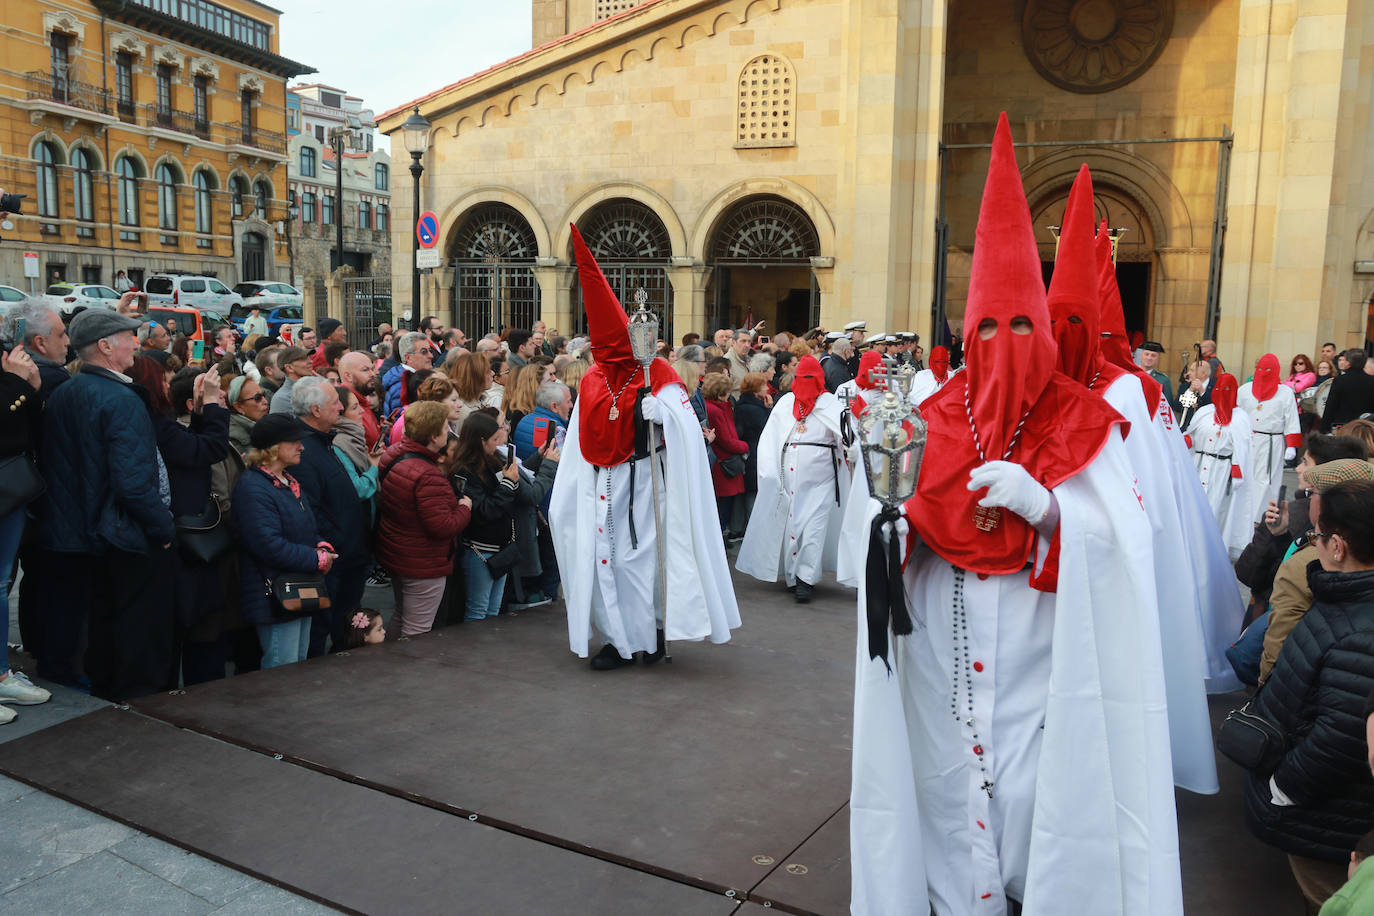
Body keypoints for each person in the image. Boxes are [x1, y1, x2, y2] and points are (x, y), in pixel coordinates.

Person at [847, 115, 1178, 915]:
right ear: (966, 329)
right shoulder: (929, 408)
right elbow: (883, 520)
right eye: (988, 326)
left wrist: (1055, 509)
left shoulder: (1086, 419)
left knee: (1037, 789)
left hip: (1048, 650)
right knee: (945, 776)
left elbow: (1133, 548)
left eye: (1022, 325)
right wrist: (890, 534)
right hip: (942, 649)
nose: (1005, 341)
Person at [550, 227, 740, 669]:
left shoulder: (658, 374)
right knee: (603, 561)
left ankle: (650, 635)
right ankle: (616, 639)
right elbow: (581, 431)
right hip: (600, 483)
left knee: (640, 562)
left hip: (643, 482)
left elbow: (690, 435)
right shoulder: (595, 378)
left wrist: (666, 414)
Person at [1244, 478, 1374, 913]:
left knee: (1326, 901)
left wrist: (1282, 788)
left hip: (1323, 812)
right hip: (1325, 807)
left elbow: (1343, 735)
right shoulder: (1344, 598)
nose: (1312, 544)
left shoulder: (1359, 626)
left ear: (1338, 546)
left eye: (1317, 535)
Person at [38, 310, 176, 701]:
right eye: (129, 336)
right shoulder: (121, 398)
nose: (136, 344)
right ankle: (140, 705)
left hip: (84, 534)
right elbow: (133, 484)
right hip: (124, 535)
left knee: (104, 623)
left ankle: (112, 696)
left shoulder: (67, 391)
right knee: (138, 628)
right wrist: (163, 530)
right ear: (104, 346)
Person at [130, 356, 231, 686]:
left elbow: (195, 448)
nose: (166, 385)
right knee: (185, 618)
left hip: (184, 530)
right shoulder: (155, 423)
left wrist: (202, 412)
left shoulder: (158, 421)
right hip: (180, 533)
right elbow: (209, 450)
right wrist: (214, 405)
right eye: (161, 379)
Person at [738, 354, 849, 602]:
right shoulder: (786, 403)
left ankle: (806, 579)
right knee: (791, 528)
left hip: (821, 481)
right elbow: (771, 439)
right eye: (802, 379)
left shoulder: (831, 405)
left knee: (813, 530)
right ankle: (791, 574)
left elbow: (846, 438)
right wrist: (770, 474)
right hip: (788, 479)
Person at [1259, 456, 1374, 686]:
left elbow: (1278, 649)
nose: (1307, 500)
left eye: (1312, 493)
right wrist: (1281, 537)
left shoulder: (1308, 562)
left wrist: (1265, 691)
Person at [232, 413, 332, 669]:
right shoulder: (254, 487)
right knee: (282, 668)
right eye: (294, 441)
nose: (301, 446)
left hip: (296, 587)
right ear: (274, 448)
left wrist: (321, 545)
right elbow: (268, 545)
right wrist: (316, 558)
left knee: (295, 665)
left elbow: (304, 529)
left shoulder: (286, 482)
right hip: (275, 596)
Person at [375, 401, 472, 637]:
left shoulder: (393, 454)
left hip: (398, 551)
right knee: (418, 629)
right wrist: (464, 508)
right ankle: (408, 671)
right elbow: (443, 526)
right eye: (445, 427)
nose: (449, 432)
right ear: (433, 436)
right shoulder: (429, 475)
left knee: (401, 615)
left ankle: (389, 664)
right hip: (423, 561)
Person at [290, 377, 370, 655]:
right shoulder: (303, 450)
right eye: (334, 402)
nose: (340, 407)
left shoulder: (322, 442)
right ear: (315, 410)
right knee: (321, 630)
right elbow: (310, 508)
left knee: (342, 627)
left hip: (348, 557)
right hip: (332, 562)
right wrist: (335, 545)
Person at [0, 341, 52, 722]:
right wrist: (17, 383)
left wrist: (30, 388)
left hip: (9, 486)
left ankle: (1, 673)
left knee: (1, 586)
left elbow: (23, 428)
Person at [454, 411, 521, 621]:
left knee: (493, 612)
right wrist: (508, 484)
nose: (497, 444)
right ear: (481, 441)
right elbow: (485, 511)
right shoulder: (464, 472)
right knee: (478, 611)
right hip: (480, 551)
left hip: (500, 549)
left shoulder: (491, 462)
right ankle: (474, 653)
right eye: (493, 440)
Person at [1185, 372, 1254, 560]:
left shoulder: (1240, 417)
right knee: (1195, 505)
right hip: (1199, 465)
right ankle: (1191, 543)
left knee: (1215, 507)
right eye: (1219, 389)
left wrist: (1238, 472)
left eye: (1227, 390)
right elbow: (1193, 434)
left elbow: (1243, 447)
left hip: (1221, 470)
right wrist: (1185, 441)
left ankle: (1210, 549)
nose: (1222, 393)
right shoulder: (1204, 412)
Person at [1240, 353, 1303, 523]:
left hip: (1271, 442)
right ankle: (1241, 515)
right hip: (1248, 439)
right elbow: (1237, 414)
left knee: (1265, 480)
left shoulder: (1285, 393)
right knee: (1244, 477)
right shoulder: (1245, 390)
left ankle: (1259, 518)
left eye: (1268, 369)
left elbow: (1291, 418)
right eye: (1260, 368)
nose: (1263, 372)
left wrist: (1291, 445)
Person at [702, 371, 750, 538]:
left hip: (725, 462)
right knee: (721, 507)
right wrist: (745, 446)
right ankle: (718, 539)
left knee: (723, 505)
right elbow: (725, 439)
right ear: (720, 392)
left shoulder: (720, 406)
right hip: (723, 464)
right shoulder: (715, 410)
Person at [734, 371, 771, 525]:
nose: (767, 389)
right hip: (755, 454)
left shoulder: (743, 405)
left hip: (751, 453)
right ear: (755, 391)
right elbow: (768, 429)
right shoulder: (754, 409)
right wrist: (769, 409)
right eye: (763, 386)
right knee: (754, 492)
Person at [1323, 349, 1374, 432]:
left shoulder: (1340, 380)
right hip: (1364, 427)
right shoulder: (1371, 381)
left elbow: (1331, 406)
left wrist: (1324, 429)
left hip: (1342, 425)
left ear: (1348, 362)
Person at [383, 332, 433, 417]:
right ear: (408, 358)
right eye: (424, 352)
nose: (431, 356)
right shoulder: (401, 385)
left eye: (430, 351)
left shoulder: (413, 378)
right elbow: (404, 421)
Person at [269, 346, 313, 414]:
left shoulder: (315, 386)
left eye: (309, 358)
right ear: (289, 368)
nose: (311, 361)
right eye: (303, 359)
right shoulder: (282, 398)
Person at [1138, 341, 1177, 410]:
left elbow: (1167, 406)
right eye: (1146, 354)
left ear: (1157, 359)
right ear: (1141, 356)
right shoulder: (1131, 375)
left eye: (1153, 355)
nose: (1149, 358)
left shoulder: (1163, 380)